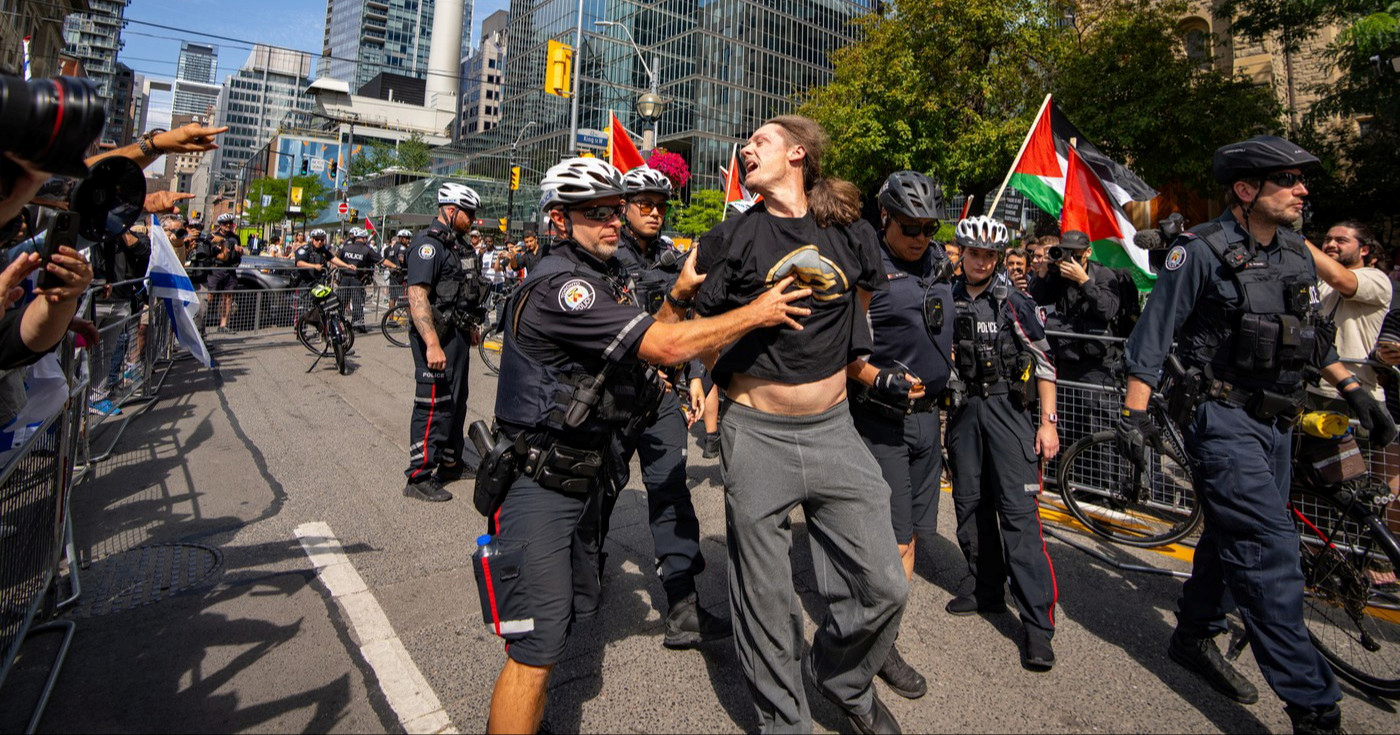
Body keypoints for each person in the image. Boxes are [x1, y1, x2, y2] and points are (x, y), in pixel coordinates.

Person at [481, 157, 810, 734]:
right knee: (534, 649)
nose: (613, 222)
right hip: (539, 482)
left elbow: (646, 336)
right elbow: (660, 346)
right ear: (559, 220)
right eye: (596, 213)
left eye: (615, 210)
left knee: (559, 624)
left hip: (577, 467)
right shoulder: (567, 288)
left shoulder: (600, 274)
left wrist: (679, 294)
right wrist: (754, 314)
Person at [1118, 135, 1396, 735]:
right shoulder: (1198, 251)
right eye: (1287, 180)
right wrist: (1133, 421)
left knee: (1229, 534)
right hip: (1221, 424)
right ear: (1246, 191)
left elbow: (1310, 338)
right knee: (1271, 556)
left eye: (1301, 180)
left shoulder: (1296, 252)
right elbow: (1150, 339)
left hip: (1277, 424)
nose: (1302, 190)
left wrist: (1350, 388)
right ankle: (1315, 708)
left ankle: (1192, 635)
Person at [692, 116, 908, 734]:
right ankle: (785, 724)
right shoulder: (733, 235)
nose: (745, 149)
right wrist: (723, 368)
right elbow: (704, 332)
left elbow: (859, 311)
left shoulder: (851, 233)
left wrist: (855, 373)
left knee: (884, 585)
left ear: (796, 153)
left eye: (758, 141)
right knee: (765, 603)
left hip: (834, 431)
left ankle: (841, 678)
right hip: (755, 435)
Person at [847, 170, 955, 700]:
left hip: (928, 421)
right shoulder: (868, 268)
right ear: (885, 217)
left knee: (914, 533)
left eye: (929, 227)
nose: (919, 237)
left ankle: (879, 627)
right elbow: (841, 349)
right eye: (910, 226)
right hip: (880, 420)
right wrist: (875, 376)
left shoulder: (939, 263)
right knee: (897, 541)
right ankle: (878, 646)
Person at [608, 165, 725, 648]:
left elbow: (691, 324)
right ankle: (580, 583)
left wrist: (697, 376)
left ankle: (683, 604)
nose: (654, 212)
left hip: (660, 402)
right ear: (624, 207)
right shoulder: (603, 259)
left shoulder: (676, 258)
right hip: (610, 401)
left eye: (660, 205)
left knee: (672, 494)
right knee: (596, 495)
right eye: (644, 204)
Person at [944, 215, 1060, 672]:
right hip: (963, 414)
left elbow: (1045, 364)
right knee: (971, 505)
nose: (980, 261)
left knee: (1018, 515)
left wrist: (1047, 424)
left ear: (996, 258)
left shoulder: (1014, 301)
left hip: (1008, 412)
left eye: (988, 255)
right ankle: (985, 588)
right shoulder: (945, 297)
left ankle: (1037, 625)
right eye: (973, 253)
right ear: (963, 254)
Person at [402, 184, 491, 502]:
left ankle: (451, 463)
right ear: (451, 210)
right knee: (432, 405)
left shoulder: (456, 247)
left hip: (456, 336)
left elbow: (460, 294)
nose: (474, 220)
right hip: (435, 338)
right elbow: (417, 296)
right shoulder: (429, 246)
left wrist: (470, 328)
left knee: (456, 400)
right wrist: (432, 344)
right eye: (470, 213)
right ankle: (419, 476)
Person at [1029, 229, 1124, 444]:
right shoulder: (1059, 276)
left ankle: (1101, 478)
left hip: (1096, 369)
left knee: (1098, 432)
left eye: (1076, 255)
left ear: (1088, 252)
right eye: (1066, 254)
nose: (1071, 260)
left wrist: (1084, 281)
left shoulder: (1103, 275)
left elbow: (1107, 310)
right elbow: (1035, 300)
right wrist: (1043, 273)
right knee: (1069, 429)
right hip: (1067, 363)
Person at [338, 227, 381, 332]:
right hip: (357, 279)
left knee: (340, 303)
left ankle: (337, 324)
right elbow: (381, 260)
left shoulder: (346, 247)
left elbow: (337, 261)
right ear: (364, 238)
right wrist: (394, 266)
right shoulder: (367, 250)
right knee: (358, 302)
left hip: (344, 278)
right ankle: (358, 326)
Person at [208, 213, 244, 333]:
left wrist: (240, 250)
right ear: (220, 225)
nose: (228, 225)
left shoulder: (235, 237)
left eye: (230, 223)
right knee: (209, 296)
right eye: (225, 223)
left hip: (230, 269)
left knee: (228, 297)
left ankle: (223, 324)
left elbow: (240, 252)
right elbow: (208, 251)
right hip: (216, 269)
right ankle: (201, 323)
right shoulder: (213, 236)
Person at [383, 229, 412, 310]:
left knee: (393, 298)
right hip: (400, 276)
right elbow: (401, 257)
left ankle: (390, 319)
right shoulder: (402, 247)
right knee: (404, 299)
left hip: (393, 275)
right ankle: (410, 320)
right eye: (407, 238)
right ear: (402, 238)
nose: (408, 240)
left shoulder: (393, 247)